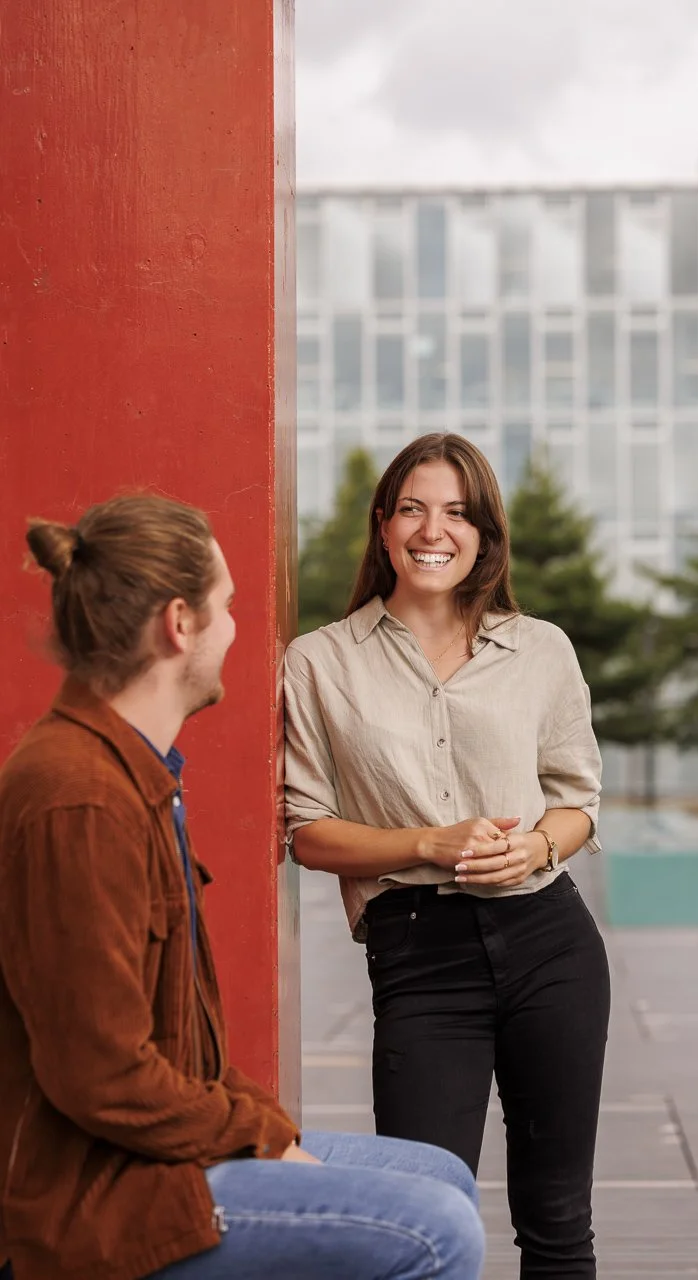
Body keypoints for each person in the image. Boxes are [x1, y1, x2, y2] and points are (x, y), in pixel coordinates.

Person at [0, 493, 485, 1280]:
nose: (238, 630)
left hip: (146, 1155)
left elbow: (180, 1054)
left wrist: (267, 1129)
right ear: (179, 624)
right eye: (228, 608)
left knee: (440, 1176)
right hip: (97, 1195)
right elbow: (100, 1074)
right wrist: (260, 1140)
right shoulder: (79, 798)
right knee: (435, 1231)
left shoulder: (135, 773)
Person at [284, 433, 611, 1280]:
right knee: (424, 1218)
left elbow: (578, 801)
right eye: (416, 508)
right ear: (383, 524)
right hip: (419, 954)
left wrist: (537, 844)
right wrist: (427, 842)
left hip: (551, 942)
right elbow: (306, 829)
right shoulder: (319, 663)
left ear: (484, 533)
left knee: (558, 1220)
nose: (437, 529)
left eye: (459, 512)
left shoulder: (541, 649)